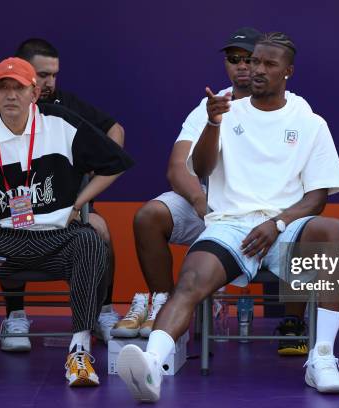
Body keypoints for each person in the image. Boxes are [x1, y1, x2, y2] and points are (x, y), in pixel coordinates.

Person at [117, 32, 339, 402]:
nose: (256, 69)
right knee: (191, 279)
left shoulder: (310, 122)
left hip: (284, 226)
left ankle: (321, 359)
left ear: (288, 71)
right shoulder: (223, 111)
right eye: (254, 61)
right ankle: (152, 364)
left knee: (336, 232)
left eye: (268, 64)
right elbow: (203, 167)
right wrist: (212, 124)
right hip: (230, 224)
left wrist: (277, 223)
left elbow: (317, 197)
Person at [0, 57, 133, 387]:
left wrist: (79, 204)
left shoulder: (62, 124)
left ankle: (79, 352)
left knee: (91, 238)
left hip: (55, 238)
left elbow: (116, 163)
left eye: (19, 88)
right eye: (4, 89)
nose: (11, 96)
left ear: (34, 93)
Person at [125, 27, 312, 351]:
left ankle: (296, 322)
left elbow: (300, 181)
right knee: (149, 216)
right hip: (213, 206)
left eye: (249, 59)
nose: (243, 66)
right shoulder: (211, 105)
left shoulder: (297, 110)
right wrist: (200, 201)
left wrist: (277, 217)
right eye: (233, 59)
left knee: (298, 222)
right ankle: (166, 311)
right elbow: (178, 167)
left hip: (267, 210)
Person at [0, 38, 126, 349]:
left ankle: (102, 312)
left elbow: (115, 130)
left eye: (54, 75)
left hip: (67, 206)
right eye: (43, 75)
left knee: (100, 231)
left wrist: (93, 168)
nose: (50, 83)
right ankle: (15, 315)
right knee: (13, 225)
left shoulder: (63, 104)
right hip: (11, 204)